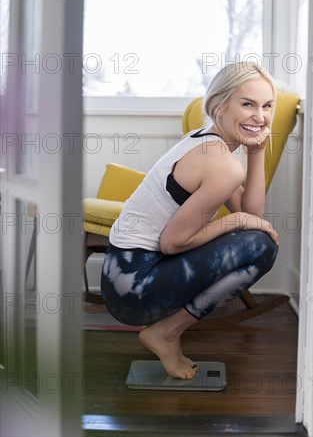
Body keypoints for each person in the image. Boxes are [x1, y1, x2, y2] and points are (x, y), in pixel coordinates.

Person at [101, 62, 279, 380]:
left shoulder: (203, 138)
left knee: (257, 239)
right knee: (262, 247)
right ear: (219, 104)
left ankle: (166, 331)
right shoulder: (221, 163)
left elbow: (253, 215)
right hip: (134, 288)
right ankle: (166, 333)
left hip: (119, 276)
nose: (260, 116)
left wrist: (256, 153)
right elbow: (173, 243)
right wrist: (234, 220)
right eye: (247, 104)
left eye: (267, 106)